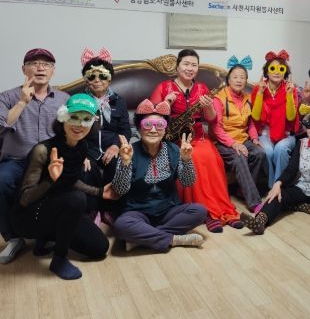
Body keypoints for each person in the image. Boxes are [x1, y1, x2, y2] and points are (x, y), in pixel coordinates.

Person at [10, 94, 110, 280]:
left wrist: (99, 192)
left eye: (86, 119)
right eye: (74, 117)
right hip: (28, 217)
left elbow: (72, 181)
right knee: (77, 198)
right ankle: (59, 259)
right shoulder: (43, 150)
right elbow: (24, 200)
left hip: (59, 210)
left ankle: (46, 237)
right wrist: (50, 180)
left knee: (100, 248)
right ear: (63, 117)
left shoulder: (82, 147)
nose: (79, 124)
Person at [0, 48, 69, 264]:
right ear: (24, 69)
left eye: (46, 64)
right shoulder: (7, 97)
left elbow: (74, 130)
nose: (40, 68)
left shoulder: (63, 98)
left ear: (52, 71)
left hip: (49, 161)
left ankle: (50, 233)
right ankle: (13, 239)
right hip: (16, 160)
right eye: (34, 63)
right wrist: (22, 102)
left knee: (66, 180)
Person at [150, 49, 242, 233]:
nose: (190, 68)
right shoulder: (164, 87)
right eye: (186, 64)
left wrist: (208, 107)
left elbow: (211, 119)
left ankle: (224, 210)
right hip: (173, 138)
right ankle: (206, 213)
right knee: (194, 158)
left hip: (198, 136)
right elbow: (151, 117)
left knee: (213, 158)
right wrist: (166, 103)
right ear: (177, 67)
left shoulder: (202, 88)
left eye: (194, 65)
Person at [111, 100, 207, 252]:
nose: (153, 130)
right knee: (121, 225)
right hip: (138, 211)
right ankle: (173, 239)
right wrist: (125, 163)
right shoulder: (129, 151)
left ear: (165, 129)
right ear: (139, 128)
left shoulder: (173, 150)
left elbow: (188, 182)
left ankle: (142, 239)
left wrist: (186, 160)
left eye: (159, 125)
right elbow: (119, 190)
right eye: (147, 125)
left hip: (168, 210)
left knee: (199, 211)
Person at [240, 103, 310, 234]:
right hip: (303, 189)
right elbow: (291, 169)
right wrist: (278, 183)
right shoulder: (302, 143)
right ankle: (259, 222)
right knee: (277, 195)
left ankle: (308, 208)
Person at [79, 47, 132, 221]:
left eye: (102, 76)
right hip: (88, 148)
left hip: (111, 147)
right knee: (86, 170)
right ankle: (91, 212)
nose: (97, 80)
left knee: (118, 166)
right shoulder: (79, 100)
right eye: (92, 77)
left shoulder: (119, 101)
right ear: (86, 79)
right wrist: (80, 153)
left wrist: (116, 146)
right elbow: (71, 129)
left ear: (109, 79)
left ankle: (111, 211)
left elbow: (125, 130)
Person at [212, 55, 266, 213]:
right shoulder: (219, 99)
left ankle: (242, 191)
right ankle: (254, 202)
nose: (239, 80)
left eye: (242, 77)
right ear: (228, 80)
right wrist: (234, 144)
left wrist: (254, 139)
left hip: (243, 138)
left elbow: (250, 123)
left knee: (260, 153)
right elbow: (216, 129)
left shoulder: (248, 98)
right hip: (223, 141)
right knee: (239, 156)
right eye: (235, 77)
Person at [251, 49, 299, 188]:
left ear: (285, 72)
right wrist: (260, 93)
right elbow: (255, 116)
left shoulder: (291, 89)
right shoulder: (258, 89)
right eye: (273, 68)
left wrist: (289, 95)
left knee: (281, 149)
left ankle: (279, 187)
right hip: (265, 134)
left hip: (286, 133)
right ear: (267, 72)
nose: (277, 72)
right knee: (267, 151)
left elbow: (291, 117)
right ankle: (274, 187)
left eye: (281, 69)